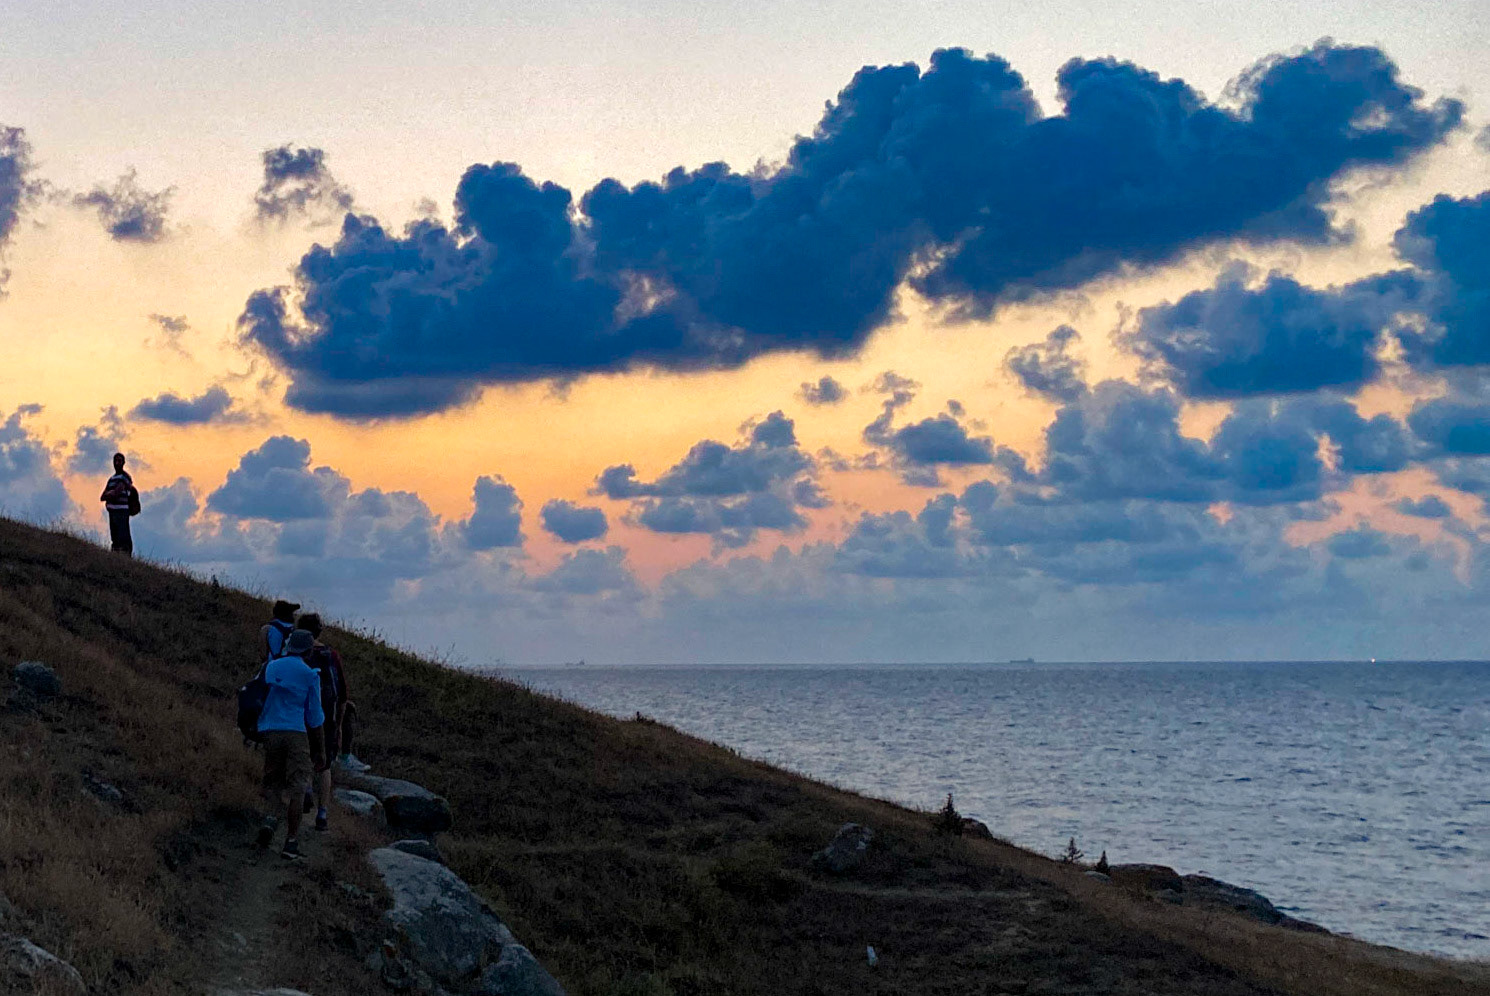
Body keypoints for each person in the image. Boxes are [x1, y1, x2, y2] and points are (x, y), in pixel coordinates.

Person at [255, 628, 325, 860]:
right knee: (297, 787)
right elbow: (315, 717)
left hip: (270, 730)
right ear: (308, 650)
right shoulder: (310, 675)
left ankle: (269, 820)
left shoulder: (272, 666)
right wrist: (321, 751)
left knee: (273, 779)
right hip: (296, 732)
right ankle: (291, 842)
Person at [295, 612, 344, 832]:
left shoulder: (296, 654)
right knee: (324, 766)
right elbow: (342, 694)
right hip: (327, 717)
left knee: (303, 756)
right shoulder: (331, 656)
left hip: (299, 714)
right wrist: (339, 724)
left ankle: (305, 791)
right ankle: (322, 815)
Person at [99, 453, 138, 556]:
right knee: (115, 537)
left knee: (123, 536)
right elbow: (102, 497)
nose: (117, 463)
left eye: (119, 461)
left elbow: (116, 493)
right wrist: (109, 494)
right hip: (112, 512)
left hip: (122, 511)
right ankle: (116, 556)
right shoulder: (112, 479)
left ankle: (125, 557)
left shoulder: (125, 477)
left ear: (123, 463)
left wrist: (110, 494)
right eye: (115, 461)